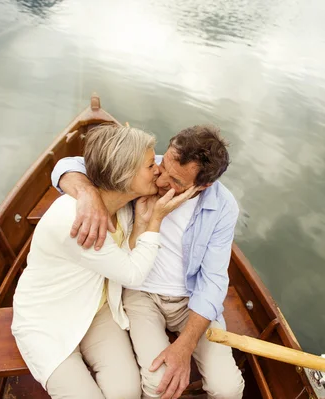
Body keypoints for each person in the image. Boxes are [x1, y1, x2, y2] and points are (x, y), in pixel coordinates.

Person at [52, 124, 245, 399]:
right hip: (141, 292)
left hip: (190, 301)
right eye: (164, 165)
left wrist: (185, 346)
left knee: (228, 389)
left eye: (177, 182)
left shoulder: (223, 207)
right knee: (157, 385)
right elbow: (67, 164)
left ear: (204, 185)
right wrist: (88, 194)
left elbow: (213, 281)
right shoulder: (146, 167)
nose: (162, 179)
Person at [11, 124, 196, 399]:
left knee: (126, 393)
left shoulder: (124, 205)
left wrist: (141, 222)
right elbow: (132, 275)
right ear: (124, 173)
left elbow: (129, 255)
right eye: (149, 165)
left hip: (96, 310)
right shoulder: (75, 221)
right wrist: (155, 220)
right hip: (46, 322)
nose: (158, 169)